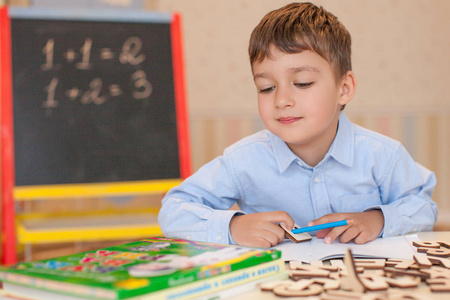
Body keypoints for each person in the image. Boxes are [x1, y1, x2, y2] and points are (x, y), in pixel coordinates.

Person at [158, 2, 437, 248]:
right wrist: (233, 227)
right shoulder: (243, 161)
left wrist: (377, 219)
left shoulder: (383, 155)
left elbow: (424, 207)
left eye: (302, 83)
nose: (281, 100)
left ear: (344, 88)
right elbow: (174, 210)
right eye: (266, 88)